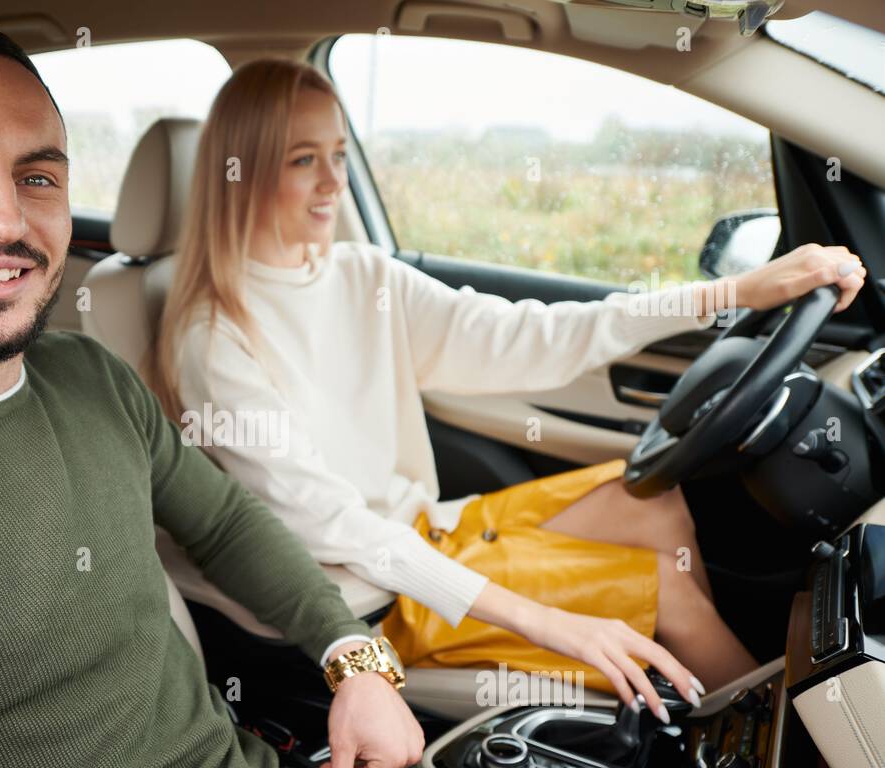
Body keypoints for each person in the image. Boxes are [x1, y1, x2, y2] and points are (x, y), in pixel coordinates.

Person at [0, 20, 845, 768]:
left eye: (37, 174)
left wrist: (357, 666)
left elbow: (227, 521)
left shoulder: (82, 377)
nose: (3, 220)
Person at [152, 58, 868, 729]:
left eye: (338, 155)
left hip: (421, 528)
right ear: (239, 173)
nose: (333, 183)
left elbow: (536, 334)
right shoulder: (213, 337)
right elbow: (335, 529)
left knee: (649, 502)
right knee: (666, 591)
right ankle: (801, 762)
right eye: (303, 160)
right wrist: (552, 621)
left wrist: (737, 290)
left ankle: (699, 719)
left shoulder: (361, 275)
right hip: (368, 600)